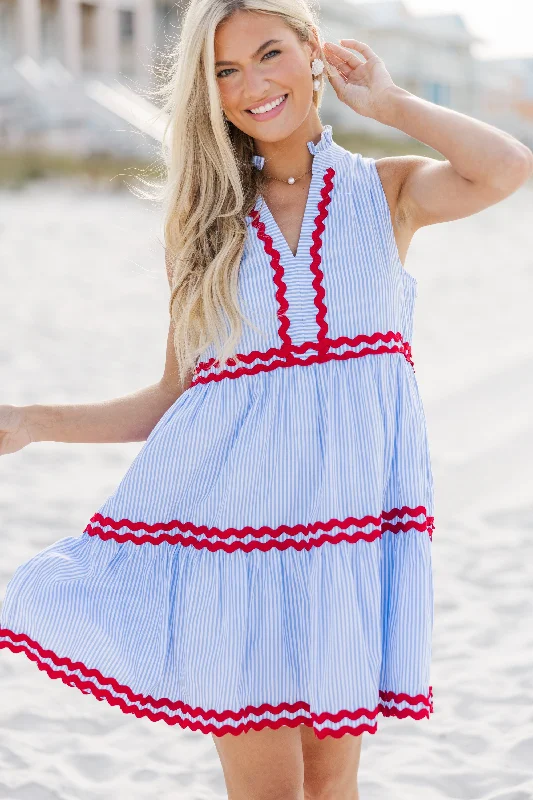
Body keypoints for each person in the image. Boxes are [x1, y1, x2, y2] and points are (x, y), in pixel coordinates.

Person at [1, 0, 532, 797]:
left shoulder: (386, 193)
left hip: (346, 544)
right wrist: (29, 421)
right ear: (208, 93)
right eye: (225, 70)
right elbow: (173, 401)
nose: (252, 84)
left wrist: (386, 104)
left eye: (270, 54)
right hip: (235, 550)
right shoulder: (206, 227)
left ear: (313, 53)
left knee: (330, 789)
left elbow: (504, 167)